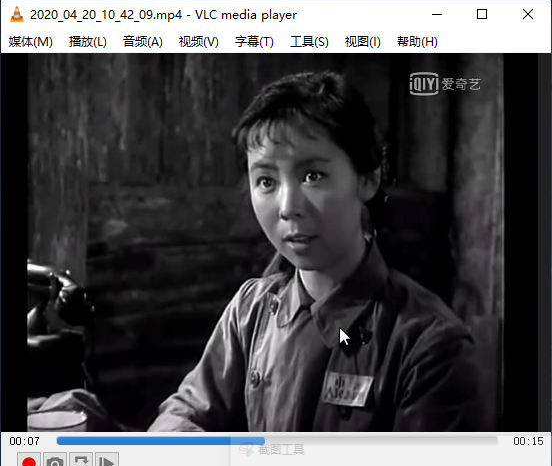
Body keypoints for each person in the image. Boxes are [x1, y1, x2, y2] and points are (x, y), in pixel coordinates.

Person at [148, 70, 483, 432]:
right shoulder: (251, 311)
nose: (287, 207)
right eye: (266, 181)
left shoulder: (428, 343)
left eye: (313, 176)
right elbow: (183, 412)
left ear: (368, 178)